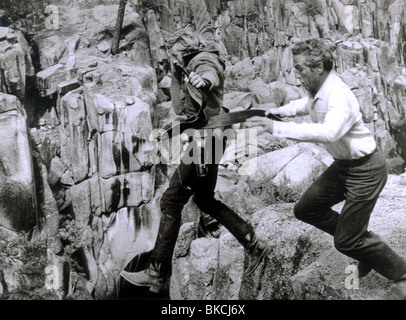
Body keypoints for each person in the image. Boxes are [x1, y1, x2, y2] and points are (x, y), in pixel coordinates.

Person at [120, 0, 269, 295]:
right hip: (213, 135)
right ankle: (253, 242)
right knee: (205, 201)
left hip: (206, 142)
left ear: (184, 51)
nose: (169, 55)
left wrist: (203, 81)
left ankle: (156, 274)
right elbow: (204, 20)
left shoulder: (201, 63)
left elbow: (209, 76)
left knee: (171, 201)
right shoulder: (200, 50)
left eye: (173, 52)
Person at [244, 38, 406, 300]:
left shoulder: (339, 95)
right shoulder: (319, 89)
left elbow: (329, 133)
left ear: (318, 66)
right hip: (344, 167)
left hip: (366, 171)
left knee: (344, 241)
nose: (296, 75)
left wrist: (277, 128)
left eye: (300, 68)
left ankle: (401, 274)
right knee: (306, 209)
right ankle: (364, 248)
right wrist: (277, 112)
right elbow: (304, 105)